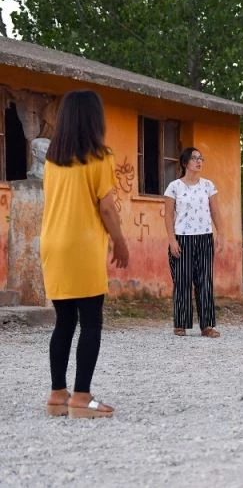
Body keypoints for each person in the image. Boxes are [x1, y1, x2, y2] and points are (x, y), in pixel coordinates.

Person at [41, 90, 129, 419]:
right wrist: (120, 241)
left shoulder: (52, 158)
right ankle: (82, 397)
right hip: (83, 245)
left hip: (53, 244)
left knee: (64, 320)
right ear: (94, 118)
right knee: (91, 322)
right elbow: (106, 208)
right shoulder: (99, 156)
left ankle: (57, 394)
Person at [164, 147, 222, 338]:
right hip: (182, 238)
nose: (199, 162)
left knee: (205, 282)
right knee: (182, 282)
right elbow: (168, 216)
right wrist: (172, 240)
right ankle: (180, 324)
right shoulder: (174, 187)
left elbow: (215, 212)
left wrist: (220, 234)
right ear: (185, 162)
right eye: (195, 158)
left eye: (201, 158)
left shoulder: (208, 186)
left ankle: (207, 326)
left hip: (204, 237)